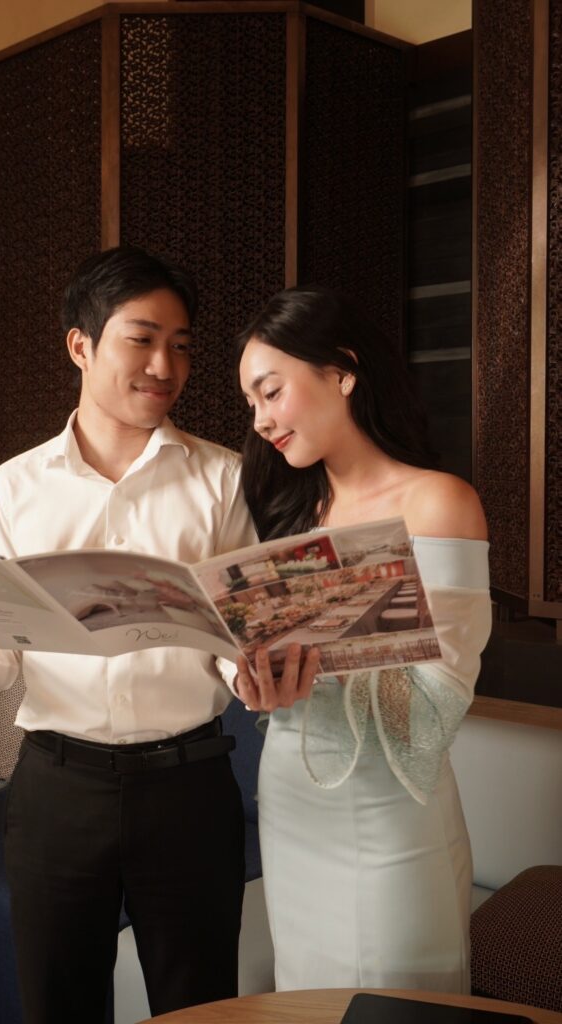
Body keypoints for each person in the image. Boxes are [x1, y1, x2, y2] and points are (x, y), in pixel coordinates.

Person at [0, 246, 291, 1024]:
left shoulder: (223, 478)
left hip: (190, 786)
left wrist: (251, 670)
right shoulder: (15, 485)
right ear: (81, 344)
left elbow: (235, 636)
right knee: (57, 1006)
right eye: (142, 339)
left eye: (181, 345)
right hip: (56, 789)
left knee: (200, 1009)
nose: (165, 365)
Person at [234, 285, 491, 994]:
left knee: (397, 998)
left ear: (342, 371)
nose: (260, 420)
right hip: (290, 796)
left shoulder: (438, 501)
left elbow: (438, 704)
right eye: (251, 402)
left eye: (271, 392)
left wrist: (321, 666)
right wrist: (252, 678)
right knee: (304, 998)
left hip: (391, 812)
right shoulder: (286, 514)